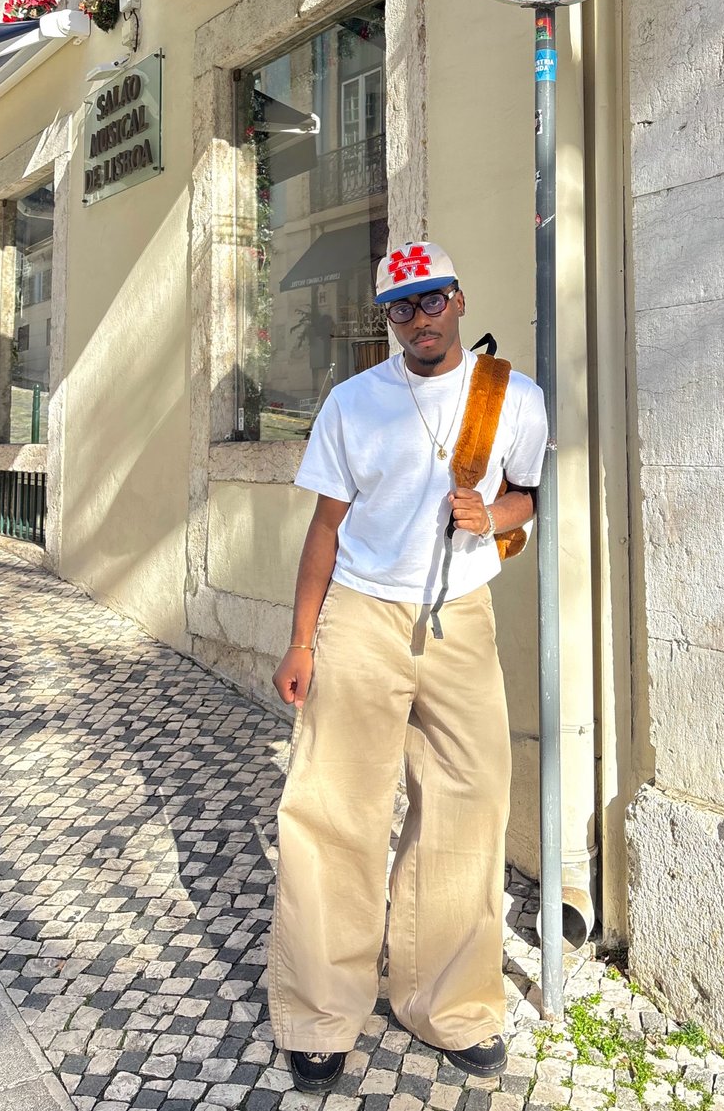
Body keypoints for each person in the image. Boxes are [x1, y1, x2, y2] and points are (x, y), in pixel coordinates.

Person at [267, 240, 548, 1093]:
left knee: (469, 800)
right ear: (385, 318)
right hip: (360, 613)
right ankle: (321, 1011)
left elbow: (526, 504)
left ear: (459, 298)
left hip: (461, 618)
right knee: (333, 806)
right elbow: (325, 527)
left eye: (431, 301)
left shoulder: (512, 398)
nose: (418, 320)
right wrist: (302, 636)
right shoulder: (355, 402)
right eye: (400, 308)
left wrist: (487, 511)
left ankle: (450, 1002)